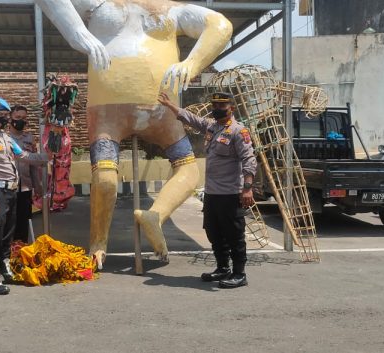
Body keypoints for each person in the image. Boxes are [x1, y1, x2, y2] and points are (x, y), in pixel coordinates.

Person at [34, 0, 233, 269]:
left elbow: (220, 25)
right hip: (108, 111)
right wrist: (77, 33)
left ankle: (155, 216)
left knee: (189, 170)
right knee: (105, 179)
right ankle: (98, 243)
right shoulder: (99, 3)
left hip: (161, 109)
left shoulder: (173, 9)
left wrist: (193, 62)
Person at [157, 91, 256, 289]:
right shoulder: (212, 127)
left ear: (232, 108)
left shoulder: (238, 131)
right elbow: (192, 119)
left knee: (234, 234)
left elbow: (249, 159)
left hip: (230, 193)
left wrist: (247, 188)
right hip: (212, 193)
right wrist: (170, 105)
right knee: (213, 231)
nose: (218, 110)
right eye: (215, 106)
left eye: (222, 107)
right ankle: (222, 268)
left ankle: (239, 273)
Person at [0, 96, 48, 295]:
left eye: (4, 115)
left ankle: (4, 267)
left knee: (8, 231)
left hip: (12, 189)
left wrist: (49, 157)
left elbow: (25, 156)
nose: (2, 118)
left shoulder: (7, 139)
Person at [7, 105, 46, 242]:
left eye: (24, 118)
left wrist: (37, 185)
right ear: (10, 119)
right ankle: (7, 251)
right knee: (8, 221)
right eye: (18, 118)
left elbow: (33, 165)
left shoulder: (29, 138)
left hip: (25, 187)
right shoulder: (3, 138)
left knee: (24, 221)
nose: (21, 121)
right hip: (8, 187)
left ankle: (21, 249)